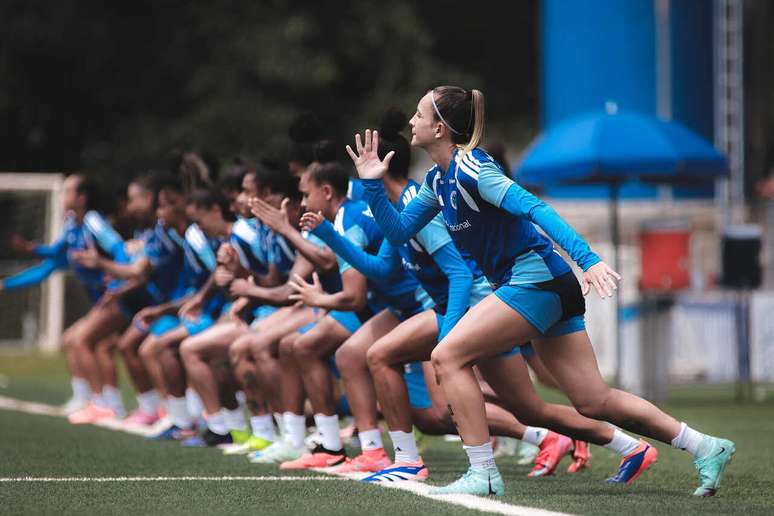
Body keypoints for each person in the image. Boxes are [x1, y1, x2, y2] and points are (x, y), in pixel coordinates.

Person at [346, 85, 735, 497]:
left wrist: (587, 259)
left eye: (419, 114)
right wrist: (372, 184)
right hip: (539, 285)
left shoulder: (472, 169)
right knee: (592, 401)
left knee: (447, 355)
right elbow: (399, 231)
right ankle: (705, 446)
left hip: (537, 282)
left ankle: (483, 475)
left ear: (440, 129)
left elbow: (535, 207)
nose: (411, 121)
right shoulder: (438, 181)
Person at [1, 174, 129, 419]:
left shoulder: (93, 222)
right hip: (106, 300)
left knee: (81, 340)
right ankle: (97, 401)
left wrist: (118, 282)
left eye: (68, 191)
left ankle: (102, 404)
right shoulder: (73, 226)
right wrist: (29, 254)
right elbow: (52, 258)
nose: (63, 196)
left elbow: (119, 248)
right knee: (81, 341)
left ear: (82, 198)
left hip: (119, 297)